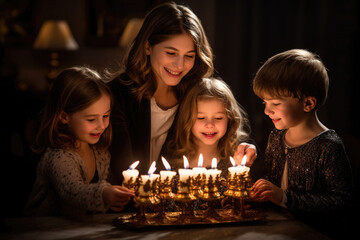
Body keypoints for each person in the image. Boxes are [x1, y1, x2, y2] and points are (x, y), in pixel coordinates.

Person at [107, 2, 256, 184]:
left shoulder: (194, 92)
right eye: (171, 53)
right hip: (125, 198)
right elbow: (119, 164)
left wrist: (245, 148)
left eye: (189, 56)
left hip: (175, 200)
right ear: (147, 47)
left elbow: (224, 124)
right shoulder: (118, 94)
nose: (179, 65)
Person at [250, 49, 354, 237]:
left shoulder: (328, 146)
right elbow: (273, 182)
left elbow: (340, 202)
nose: (267, 111)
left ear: (307, 103)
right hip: (275, 227)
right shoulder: (276, 137)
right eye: (264, 102)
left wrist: (284, 197)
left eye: (275, 103)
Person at [24, 66, 134, 217]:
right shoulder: (58, 157)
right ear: (64, 117)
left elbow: (108, 182)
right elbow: (73, 191)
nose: (101, 126)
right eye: (91, 119)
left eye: (105, 116)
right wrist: (103, 193)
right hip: (43, 230)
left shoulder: (100, 151)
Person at [162, 77, 252, 174]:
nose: (210, 125)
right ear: (187, 118)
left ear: (230, 119)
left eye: (218, 118)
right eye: (201, 118)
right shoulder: (171, 164)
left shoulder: (238, 164)